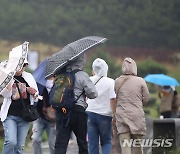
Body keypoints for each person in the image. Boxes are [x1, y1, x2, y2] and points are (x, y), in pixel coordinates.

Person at [54, 53, 98, 154]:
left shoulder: (61, 75)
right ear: (81, 62)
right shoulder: (82, 75)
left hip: (62, 111)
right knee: (82, 142)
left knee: (61, 143)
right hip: (78, 111)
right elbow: (93, 94)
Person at [0, 60, 39, 154]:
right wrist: (9, 86)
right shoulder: (8, 77)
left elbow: (37, 97)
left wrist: (34, 93)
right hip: (10, 115)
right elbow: (5, 95)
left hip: (25, 115)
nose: (22, 68)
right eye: (20, 66)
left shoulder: (29, 77)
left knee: (20, 146)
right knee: (11, 142)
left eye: (24, 65)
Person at [114, 57, 149, 154]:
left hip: (122, 116)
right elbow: (146, 98)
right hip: (136, 116)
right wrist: (138, 104)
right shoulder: (141, 81)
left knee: (125, 146)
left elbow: (116, 96)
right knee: (137, 145)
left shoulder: (117, 81)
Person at [86, 58, 116, 154]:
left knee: (92, 143)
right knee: (106, 141)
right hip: (105, 115)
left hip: (90, 113)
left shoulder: (88, 80)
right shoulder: (111, 82)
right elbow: (113, 99)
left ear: (93, 69)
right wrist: (114, 115)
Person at [31, 79, 56, 154]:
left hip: (53, 119)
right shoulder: (38, 85)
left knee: (53, 143)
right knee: (35, 139)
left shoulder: (57, 87)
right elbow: (33, 102)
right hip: (39, 117)